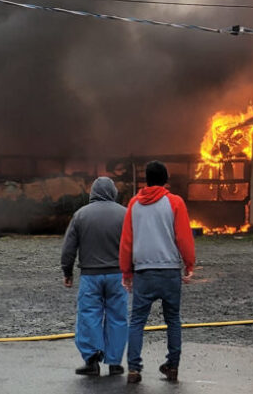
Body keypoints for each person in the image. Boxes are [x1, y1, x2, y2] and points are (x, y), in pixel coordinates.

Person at [119, 161, 195, 384]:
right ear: (165, 180)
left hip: (143, 272)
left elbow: (126, 241)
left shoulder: (134, 204)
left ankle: (134, 369)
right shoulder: (175, 202)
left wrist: (126, 272)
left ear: (147, 179)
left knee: (137, 321)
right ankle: (172, 366)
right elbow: (183, 236)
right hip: (170, 271)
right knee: (173, 319)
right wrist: (189, 264)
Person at [61, 176, 128, 377]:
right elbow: (133, 246)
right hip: (118, 276)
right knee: (118, 317)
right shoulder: (125, 214)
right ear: (113, 193)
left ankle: (91, 360)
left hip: (90, 276)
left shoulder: (81, 215)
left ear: (93, 193)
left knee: (89, 314)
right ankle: (114, 363)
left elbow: (69, 248)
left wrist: (67, 271)